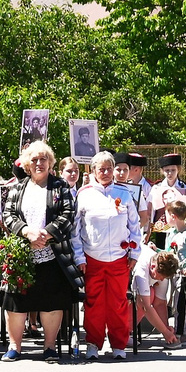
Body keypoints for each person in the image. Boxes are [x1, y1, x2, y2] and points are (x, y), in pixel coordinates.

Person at [0, 141, 78, 361]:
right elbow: (8, 216)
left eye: (43, 159)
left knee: (51, 300)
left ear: (50, 162)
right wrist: (26, 233)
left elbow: (68, 213)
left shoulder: (60, 186)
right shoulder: (17, 188)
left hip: (52, 253)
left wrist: (45, 234)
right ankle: (15, 347)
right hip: (22, 253)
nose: (39, 163)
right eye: (34, 160)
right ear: (27, 164)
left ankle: (49, 347)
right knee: (16, 301)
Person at [74, 152, 146, 360]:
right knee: (94, 303)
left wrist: (135, 253)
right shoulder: (84, 194)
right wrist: (80, 257)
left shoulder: (124, 193)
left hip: (119, 258)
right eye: (101, 169)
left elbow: (134, 226)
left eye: (108, 168)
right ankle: (93, 344)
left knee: (118, 302)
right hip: (92, 258)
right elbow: (75, 230)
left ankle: (118, 345)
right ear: (94, 171)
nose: (105, 173)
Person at [162, 201, 186, 344]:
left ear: (173, 216)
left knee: (181, 303)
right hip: (173, 273)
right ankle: (181, 331)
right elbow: (168, 252)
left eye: (166, 215)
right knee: (174, 302)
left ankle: (181, 333)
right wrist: (157, 251)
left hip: (184, 275)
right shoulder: (171, 233)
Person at [135, 247, 186, 352]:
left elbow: (160, 303)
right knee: (146, 298)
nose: (162, 279)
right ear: (153, 266)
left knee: (152, 294)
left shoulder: (161, 269)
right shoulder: (141, 271)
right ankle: (122, 332)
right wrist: (166, 333)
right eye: (161, 276)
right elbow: (146, 307)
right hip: (122, 287)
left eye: (165, 278)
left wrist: (166, 329)